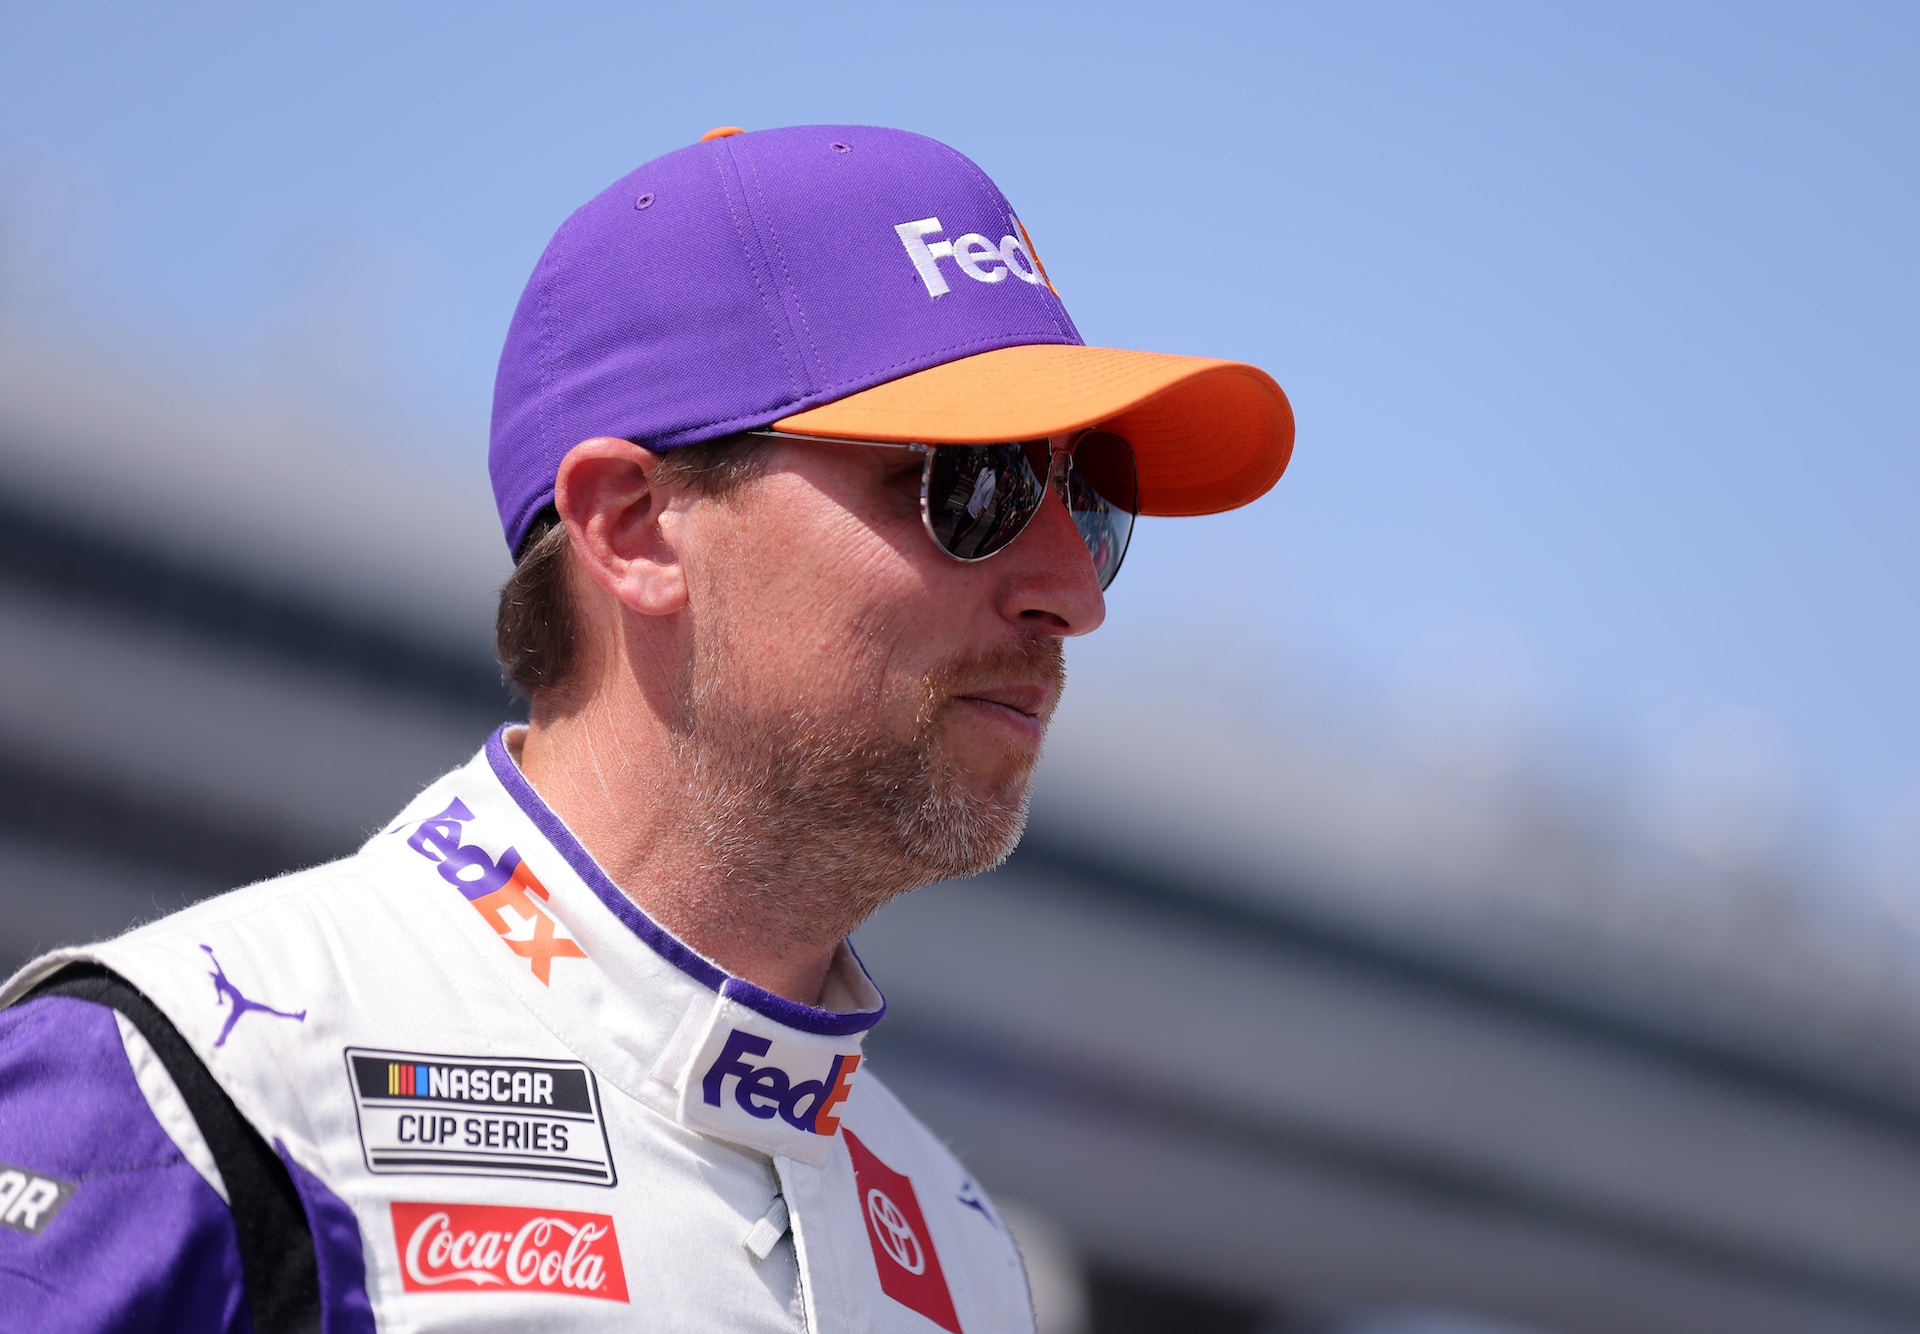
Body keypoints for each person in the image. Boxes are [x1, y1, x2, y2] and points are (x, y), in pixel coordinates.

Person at [0, 123, 1292, 1331]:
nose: (1070, 592)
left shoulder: (961, 1251)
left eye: (1094, 501)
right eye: (976, 482)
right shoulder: (189, 1084)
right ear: (632, 523)